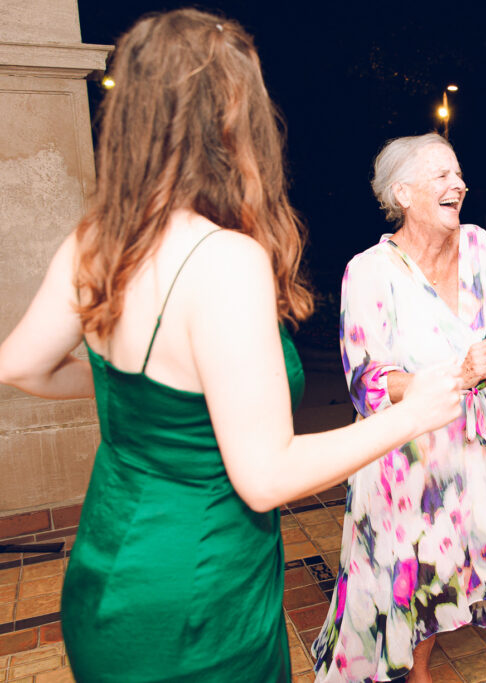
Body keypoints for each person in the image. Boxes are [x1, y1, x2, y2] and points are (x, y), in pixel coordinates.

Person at [0, 11, 462, 682]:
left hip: (105, 574)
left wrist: (134, 390)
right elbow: (265, 474)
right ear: (227, 123)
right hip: (197, 602)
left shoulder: (97, 238)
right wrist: (411, 414)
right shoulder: (225, 261)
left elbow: (20, 364)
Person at [310, 133, 486, 683]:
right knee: (424, 566)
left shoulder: (479, 244)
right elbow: (367, 383)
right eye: (441, 175)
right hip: (414, 448)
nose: (458, 184)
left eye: (458, 173)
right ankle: (419, 673)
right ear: (403, 193)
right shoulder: (369, 271)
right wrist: (459, 372)